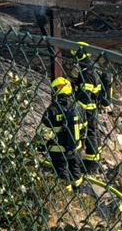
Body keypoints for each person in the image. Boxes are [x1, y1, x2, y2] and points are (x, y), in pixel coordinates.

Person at [72, 42, 111, 172]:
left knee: (90, 133)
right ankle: (95, 158)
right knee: (94, 132)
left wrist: (76, 109)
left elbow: (85, 95)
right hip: (93, 106)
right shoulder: (94, 67)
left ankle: (91, 163)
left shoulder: (86, 73)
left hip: (87, 108)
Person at [40, 76, 86, 181]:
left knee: (62, 176)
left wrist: (41, 146)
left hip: (57, 151)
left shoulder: (52, 110)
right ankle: (78, 188)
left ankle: (66, 189)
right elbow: (84, 127)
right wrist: (82, 142)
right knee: (76, 172)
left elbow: (44, 132)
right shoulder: (79, 107)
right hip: (75, 148)